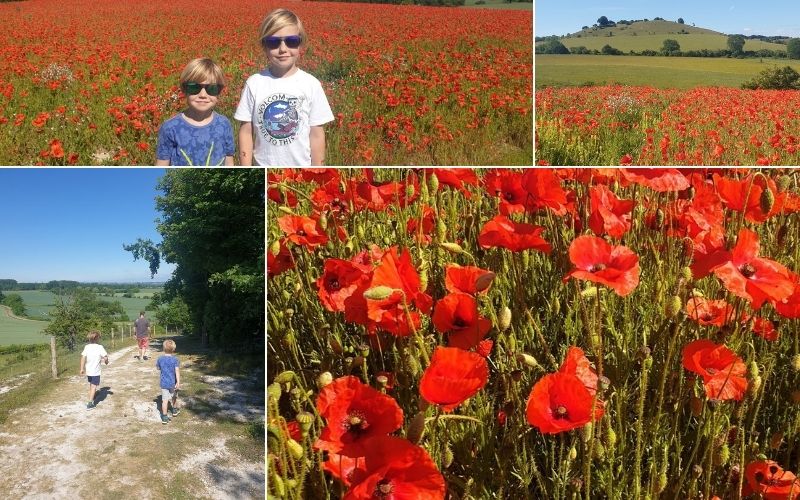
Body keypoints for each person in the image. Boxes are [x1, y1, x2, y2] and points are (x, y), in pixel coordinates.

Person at [235, 8, 334, 166]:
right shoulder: (254, 83)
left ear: (300, 44)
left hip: (301, 168)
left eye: (291, 41)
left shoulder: (311, 84)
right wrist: (246, 167)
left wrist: (317, 169)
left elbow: (316, 134)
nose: (283, 49)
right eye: (274, 42)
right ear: (264, 46)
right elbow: (246, 131)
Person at [156, 57, 235, 166]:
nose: (203, 95)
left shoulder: (224, 124)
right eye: (194, 88)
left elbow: (229, 161)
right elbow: (162, 164)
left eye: (211, 88)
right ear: (184, 89)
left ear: (219, 91)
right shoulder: (170, 127)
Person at [79, 330, 109, 410]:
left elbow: (83, 357)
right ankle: (90, 403)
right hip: (95, 371)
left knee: (91, 385)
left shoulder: (87, 347)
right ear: (98, 338)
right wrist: (106, 361)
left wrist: (82, 368)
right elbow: (105, 357)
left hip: (88, 371)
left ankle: (91, 397)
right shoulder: (100, 347)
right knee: (93, 387)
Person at [156, 339, 181, 424]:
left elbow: (158, 368)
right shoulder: (175, 360)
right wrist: (178, 382)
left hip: (164, 383)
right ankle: (174, 410)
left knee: (165, 400)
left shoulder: (160, 359)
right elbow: (177, 371)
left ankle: (164, 416)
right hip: (172, 383)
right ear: (173, 349)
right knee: (174, 397)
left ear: (163, 348)